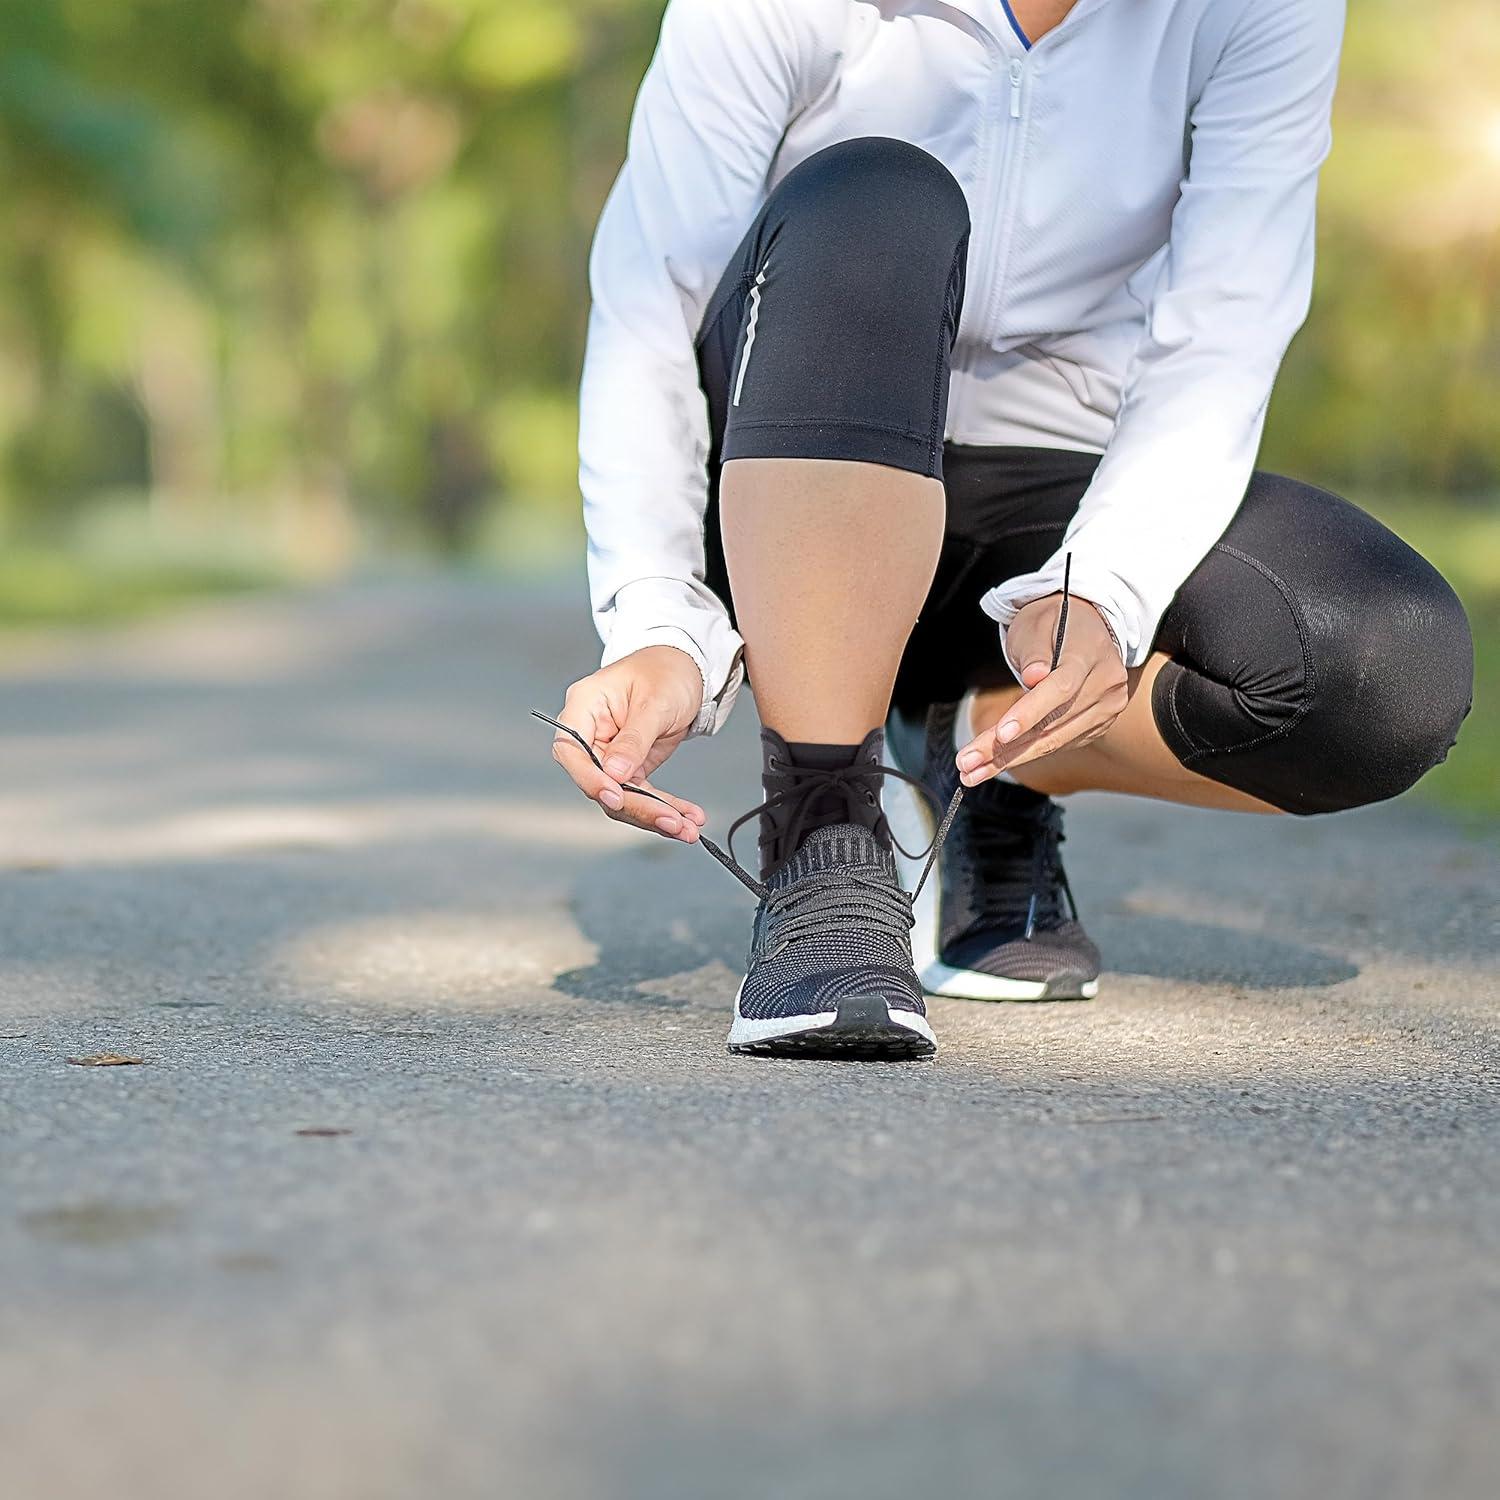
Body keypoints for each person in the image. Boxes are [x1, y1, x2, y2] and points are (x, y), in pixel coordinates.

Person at [547, 0, 1474, 1059]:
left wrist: (1103, 590)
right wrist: (658, 620)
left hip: (1055, 488)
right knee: (878, 192)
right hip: (793, 485)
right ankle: (825, 823)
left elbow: (1225, 327)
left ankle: (981, 759)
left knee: (1383, 671)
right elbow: (649, 305)